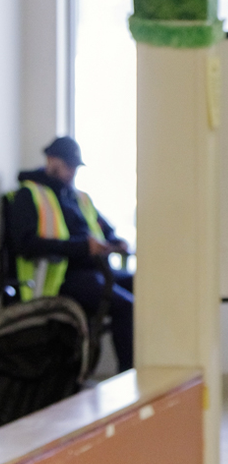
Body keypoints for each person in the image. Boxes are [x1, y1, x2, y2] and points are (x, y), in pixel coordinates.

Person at [10, 136, 133, 372]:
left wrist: (115, 242)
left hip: (95, 268)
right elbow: (26, 245)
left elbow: (104, 230)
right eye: (67, 165)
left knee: (143, 285)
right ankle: (127, 374)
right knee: (125, 307)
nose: (71, 172)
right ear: (50, 159)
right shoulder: (29, 195)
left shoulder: (78, 197)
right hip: (63, 278)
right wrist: (82, 247)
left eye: (75, 167)